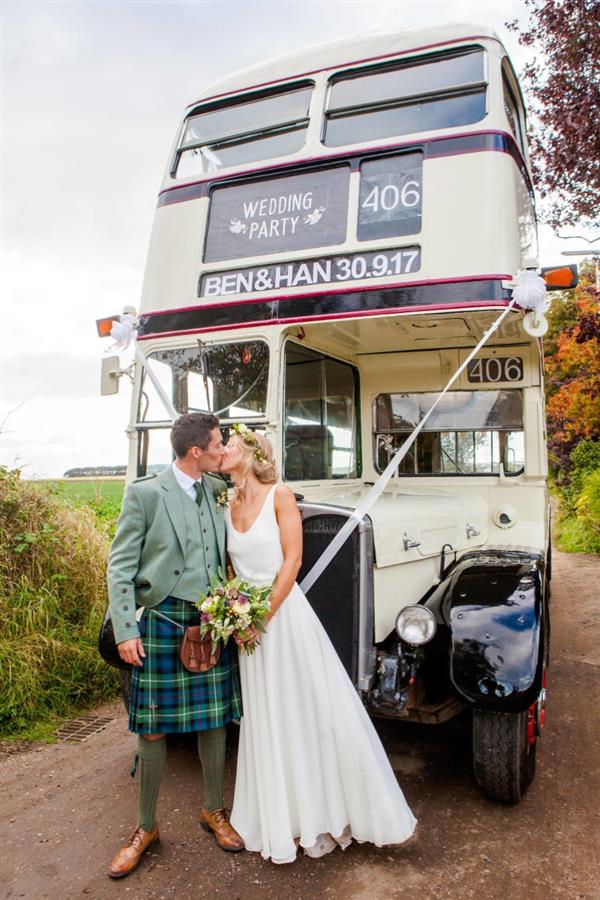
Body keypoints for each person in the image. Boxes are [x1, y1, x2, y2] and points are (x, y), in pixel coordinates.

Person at [221, 427, 417, 864]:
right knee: (266, 715)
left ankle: (317, 812)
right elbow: (232, 568)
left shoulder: (280, 496)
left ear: (251, 455)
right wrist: (233, 611)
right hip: (247, 625)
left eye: (230, 445)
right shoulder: (228, 503)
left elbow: (292, 559)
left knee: (302, 711)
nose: (223, 451)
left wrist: (260, 617)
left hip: (283, 619)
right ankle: (278, 813)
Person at [106, 413, 244, 879]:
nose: (223, 449)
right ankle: (145, 827)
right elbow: (119, 566)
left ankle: (213, 810)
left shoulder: (215, 490)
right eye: (218, 443)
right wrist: (126, 629)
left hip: (209, 623)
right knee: (152, 730)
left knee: (215, 722)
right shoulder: (145, 494)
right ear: (195, 453)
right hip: (162, 622)